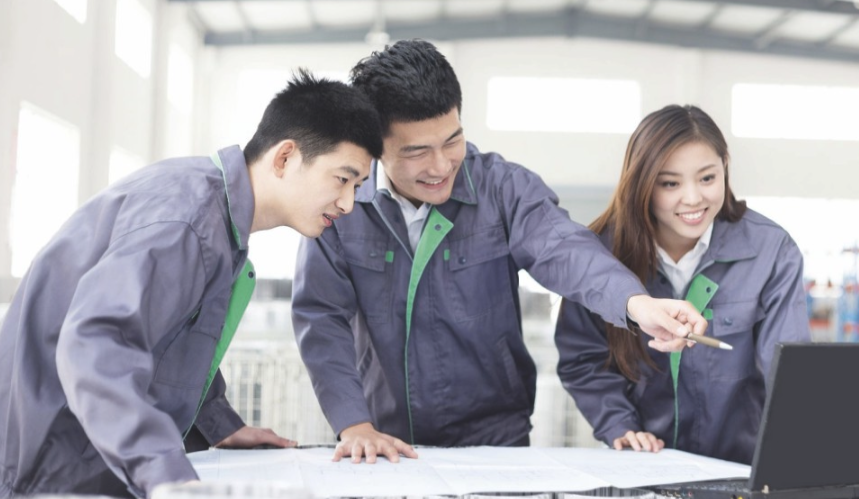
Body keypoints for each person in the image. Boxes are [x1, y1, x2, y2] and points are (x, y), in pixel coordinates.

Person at [292, 39, 707, 464]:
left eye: (452, 140)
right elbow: (321, 317)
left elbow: (562, 247)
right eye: (417, 152)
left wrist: (636, 303)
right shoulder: (341, 207)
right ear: (375, 145)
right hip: (384, 442)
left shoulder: (504, 188)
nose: (441, 166)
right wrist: (355, 425)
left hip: (496, 443)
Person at [0, 70, 383, 498]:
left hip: (78, 456)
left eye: (358, 186)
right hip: (49, 464)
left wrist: (220, 424)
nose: (348, 203)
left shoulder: (217, 218)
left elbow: (173, 342)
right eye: (342, 179)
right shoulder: (188, 221)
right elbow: (96, 346)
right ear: (284, 158)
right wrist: (170, 478)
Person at [554, 105, 810, 465]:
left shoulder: (772, 250)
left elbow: (787, 374)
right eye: (670, 183)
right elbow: (583, 358)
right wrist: (619, 425)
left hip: (737, 469)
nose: (693, 198)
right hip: (641, 467)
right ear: (642, 183)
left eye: (707, 178)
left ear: (725, 167)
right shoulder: (600, 257)